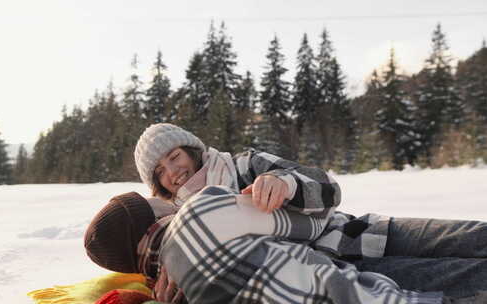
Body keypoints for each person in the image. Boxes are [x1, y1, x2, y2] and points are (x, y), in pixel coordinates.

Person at [131, 123, 487, 301]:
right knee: (462, 278)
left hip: (360, 232)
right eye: (159, 170)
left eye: (174, 157)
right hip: (343, 276)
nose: (172, 171)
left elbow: (327, 186)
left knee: (468, 236)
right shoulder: (181, 228)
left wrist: (286, 184)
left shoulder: (245, 165)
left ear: (191, 150)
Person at [84, 190, 487, 303]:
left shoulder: (173, 291)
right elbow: (309, 223)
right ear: (147, 219)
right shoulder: (200, 209)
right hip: (360, 276)